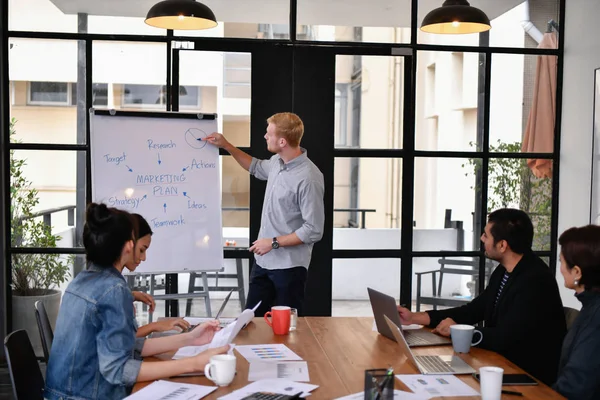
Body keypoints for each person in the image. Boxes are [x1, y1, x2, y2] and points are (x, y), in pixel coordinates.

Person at [45, 203, 229, 400]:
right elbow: (118, 370)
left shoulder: (83, 280)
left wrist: (191, 339)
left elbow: (127, 344)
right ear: (129, 245)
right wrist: (194, 363)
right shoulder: (114, 290)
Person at [397, 208, 565, 385]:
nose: (481, 239)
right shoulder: (504, 271)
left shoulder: (535, 280)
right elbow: (474, 310)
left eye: (486, 235)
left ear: (502, 245)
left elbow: (507, 338)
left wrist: (459, 332)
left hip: (529, 379)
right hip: (500, 365)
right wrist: (415, 317)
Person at [206, 112, 324, 316]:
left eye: (268, 133)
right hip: (263, 263)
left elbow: (313, 230)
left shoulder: (309, 178)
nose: (264, 136)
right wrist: (227, 145)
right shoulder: (277, 163)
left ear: (282, 141)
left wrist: (273, 242)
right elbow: (255, 167)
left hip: (289, 269)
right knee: (251, 323)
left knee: (286, 330)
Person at [552, 225, 600, 399]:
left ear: (577, 272)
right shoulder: (591, 307)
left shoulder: (595, 318)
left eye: (561, 262)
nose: (561, 269)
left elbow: (574, 387)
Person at [127, 213, 191, 337]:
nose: (144, 258)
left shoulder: (109, 282)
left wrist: (132, 295)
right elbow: (123, 341)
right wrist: (154, 326)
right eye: (141, 250)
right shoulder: (113, 288)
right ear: (128, 244)